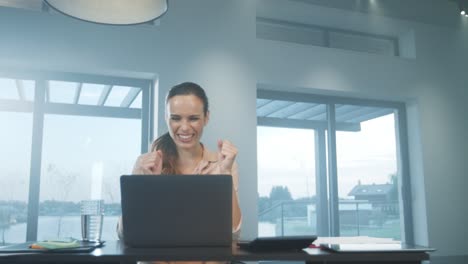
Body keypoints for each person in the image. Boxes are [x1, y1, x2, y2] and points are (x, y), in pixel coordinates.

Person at [117, 82, 242, 242]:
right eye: (175, 118)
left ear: (206, 118)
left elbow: (234, 234)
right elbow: (124, 234)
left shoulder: (223, 165)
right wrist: (147, 184)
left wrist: (225, 175)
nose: (184, 127)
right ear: (166, 118)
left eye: (193, 118)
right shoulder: (145, 164)